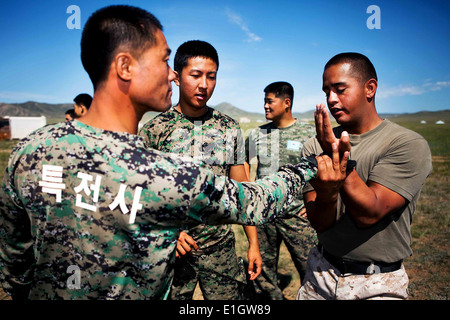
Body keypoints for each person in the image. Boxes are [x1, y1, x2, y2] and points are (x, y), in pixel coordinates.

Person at [0, 5, 338, 300]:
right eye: (164, 60)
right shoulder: (163, 173)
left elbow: (16, 263)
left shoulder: (27, 153)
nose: (172, 74)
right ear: (125, 66)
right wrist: (312, 164)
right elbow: (255, 200)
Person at [297, 52, 432, 300]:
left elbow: (369, 213)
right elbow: (319, 223)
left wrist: (337, 157)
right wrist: (327, 195)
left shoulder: (405, 144)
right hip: (321, 273)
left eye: (340, 89)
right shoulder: (313, 147)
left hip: (376, 281)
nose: (331, 100)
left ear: (370, 88)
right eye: (326, 92)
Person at [139, 40, 261, 300]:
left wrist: (254, 244)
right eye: (195, 75)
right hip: (174, 251)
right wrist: (168, 233)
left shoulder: (228, 128)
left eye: (211, 77)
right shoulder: (155, 130)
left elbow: (242, 191)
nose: (204, 84)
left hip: (220, 249)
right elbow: (142, 195)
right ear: (178, 77)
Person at [245, 81, 317, 300]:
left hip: (297, 214)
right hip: (265, 215)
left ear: (287, 103)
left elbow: (322, 166)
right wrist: (249, 193)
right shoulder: (257, 134)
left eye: (270, 101)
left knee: (311, 267)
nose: (265, 106)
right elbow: (243, 164)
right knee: (264, 270)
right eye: (264, 101)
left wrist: (318, 198)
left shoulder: (308, 132)